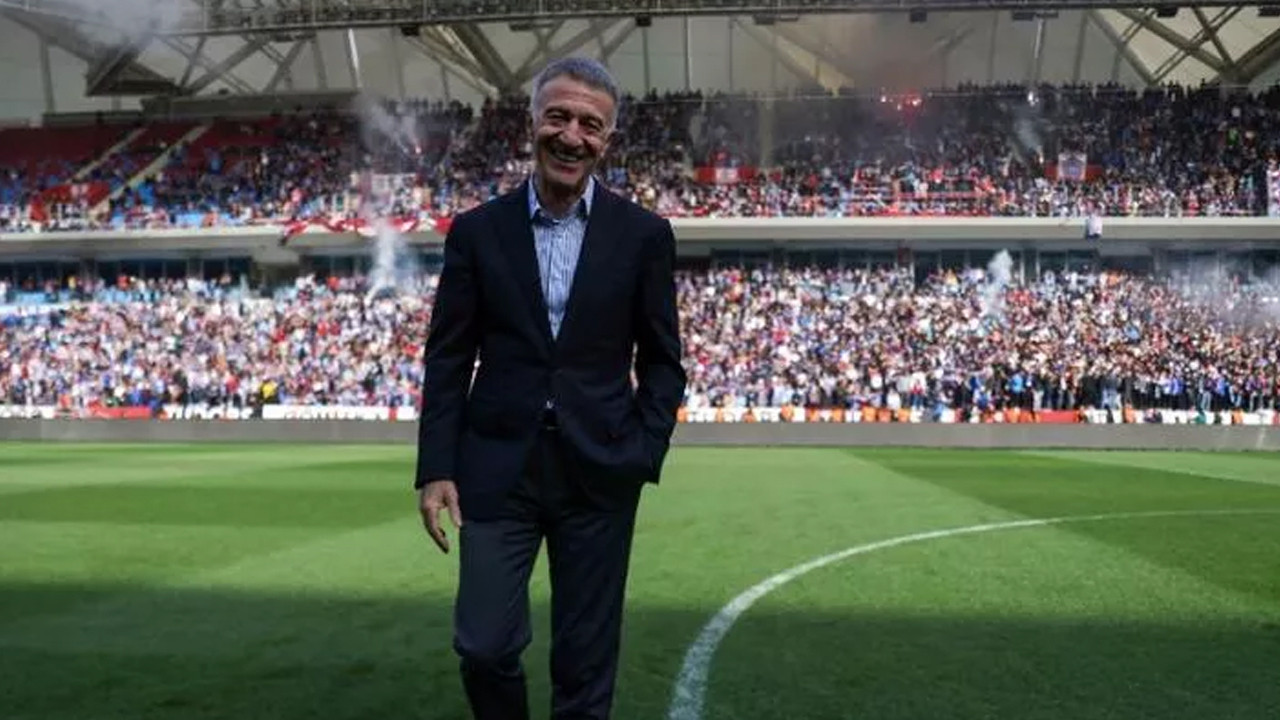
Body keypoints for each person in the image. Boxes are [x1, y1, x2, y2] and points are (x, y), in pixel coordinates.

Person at [414, 56, 687, 720]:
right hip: (496, 466)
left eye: (590, 125)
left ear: (608, 140)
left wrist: (642, 452)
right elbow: (448, 358)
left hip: (600, 470)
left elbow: (663, 362)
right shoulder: (477, 231)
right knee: (482, 646)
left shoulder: (644, 236)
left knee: (586, 660)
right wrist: (437, 466)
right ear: (530, 122)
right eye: (558, 117)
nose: (572, 136)